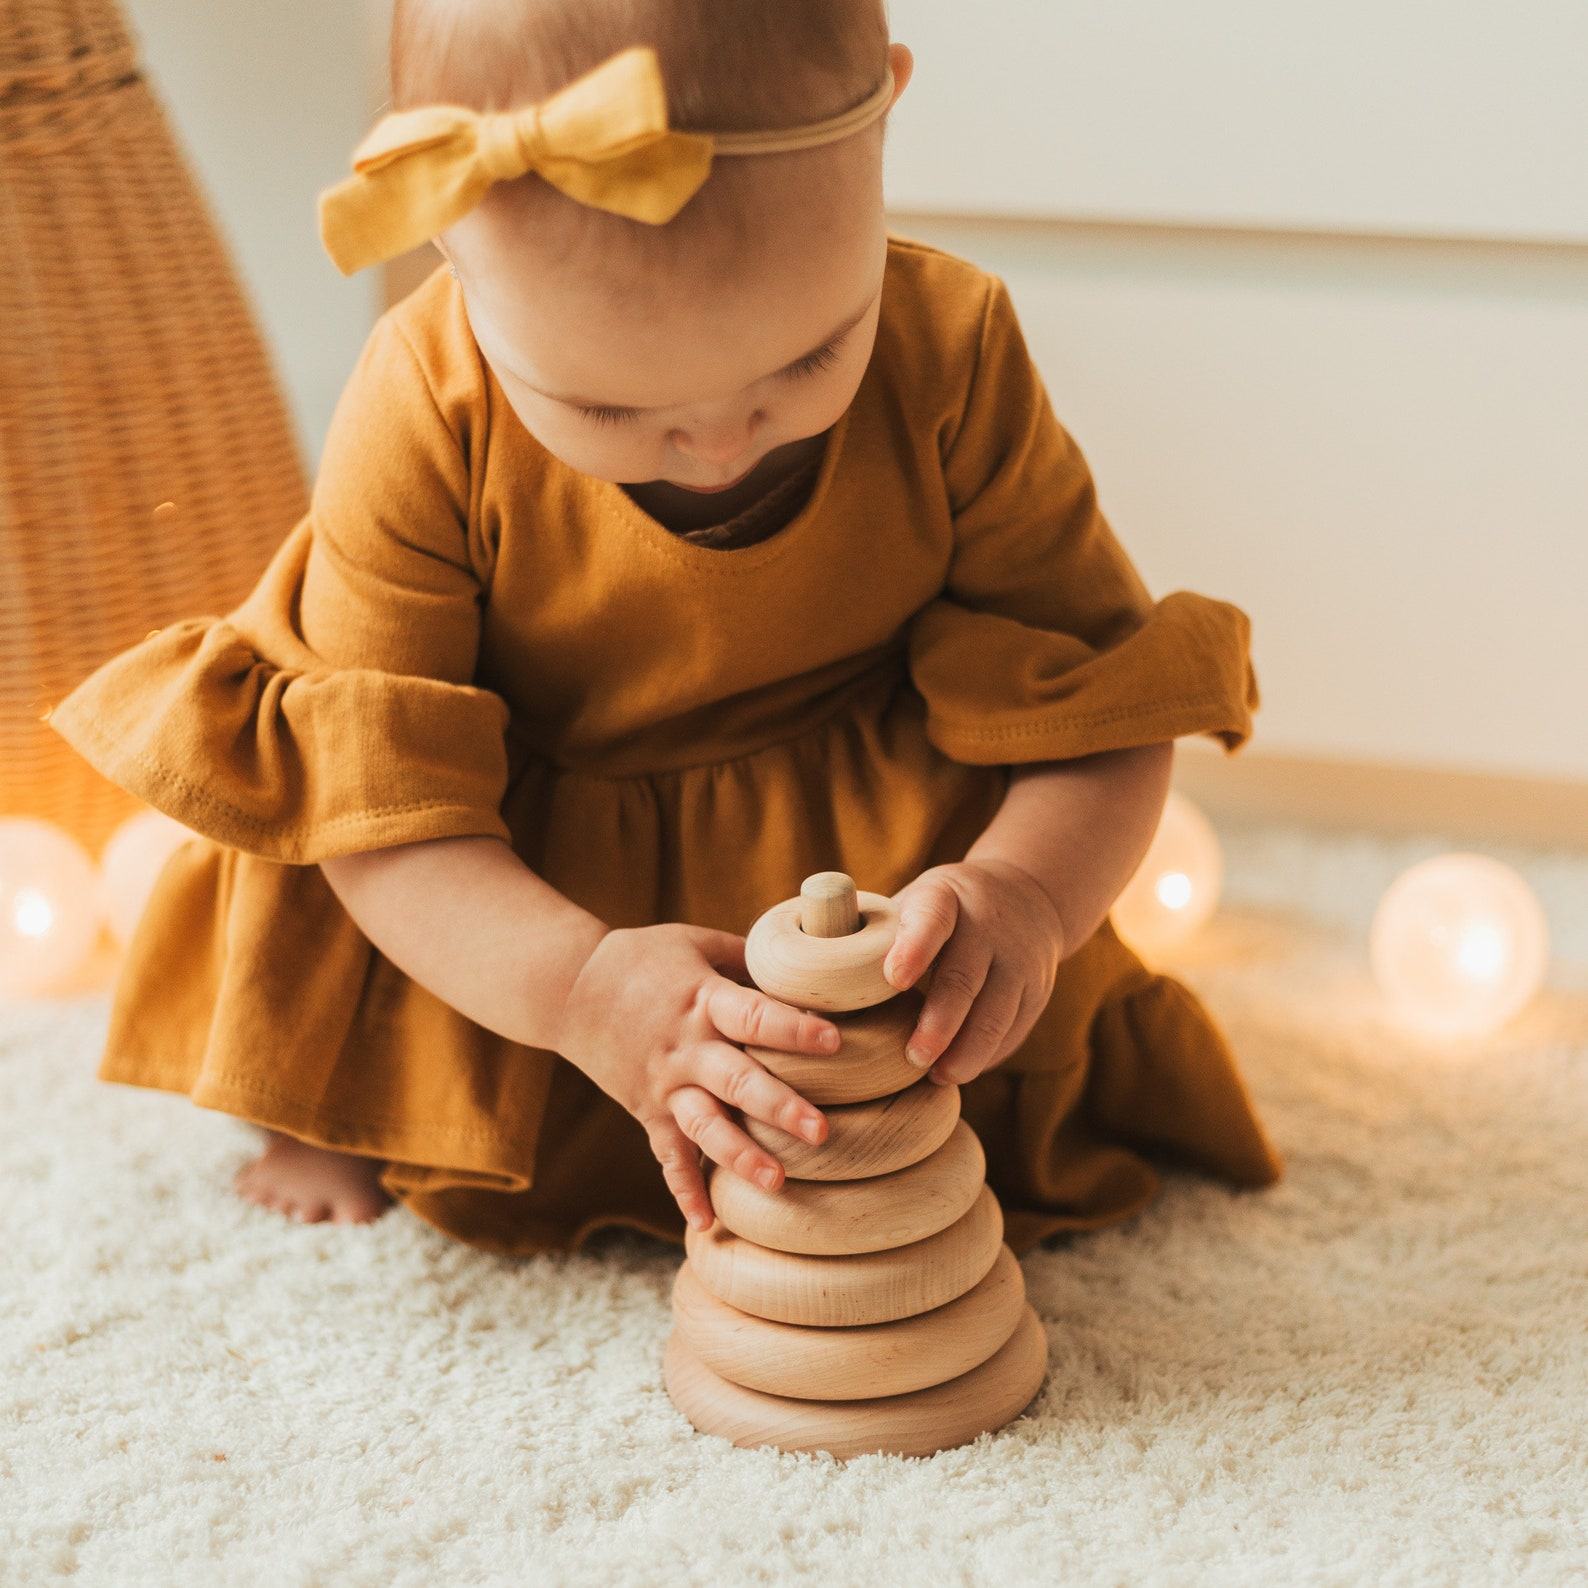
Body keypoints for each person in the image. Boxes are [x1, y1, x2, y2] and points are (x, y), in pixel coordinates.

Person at [46, 0, 1283, 1254]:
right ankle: (333, 1103)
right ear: (449, 236)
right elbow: (382, 811)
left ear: (885, 124)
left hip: (860, 856)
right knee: (331, 853)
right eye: (601, 403)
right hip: (504, 861)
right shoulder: (425, 406)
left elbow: (1101, 703)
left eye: (806, 360)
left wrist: (1024, 894)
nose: (714, 443)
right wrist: (581, 989)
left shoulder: (951, 349)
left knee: (976, 1082)